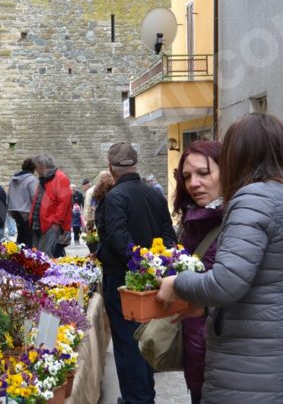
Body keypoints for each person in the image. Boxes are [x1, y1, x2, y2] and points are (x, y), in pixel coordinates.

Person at [157, 113, 283, 403]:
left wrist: (177, 283)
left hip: (254, 368)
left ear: (237, 155)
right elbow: (271, 282)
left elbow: (226, 284)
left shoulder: (252, 199)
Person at [95, 142, 177, 404]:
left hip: (124, 281)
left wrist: (141, 265)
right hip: (153, 279)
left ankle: (137, 399)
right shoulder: (155, 194)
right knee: (145, 337)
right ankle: (144, 395)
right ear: (136, 164)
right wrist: (156, 265)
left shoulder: (115, 198)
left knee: (128, 342)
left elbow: (120, 240)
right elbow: (169, 236)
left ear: (111, 167)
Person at [170, 140, 223, 404]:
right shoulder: (193, 220)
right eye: (187, 176)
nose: (193, 183)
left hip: (227, 353)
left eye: (204, 173)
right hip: (196, 343)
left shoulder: (239, 220)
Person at [29, 154, 72, 257]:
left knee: (45, 256)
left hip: (50, 224)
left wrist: (56, 222)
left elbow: (64, 202)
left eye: (37, 167)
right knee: (37, 255)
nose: (36, 170)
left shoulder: (60, 178)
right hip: (40, 223)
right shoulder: (44, 179)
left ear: (42, 166)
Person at [6, 158, 38, 246]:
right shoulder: (31, 179)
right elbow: (34, 197)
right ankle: (27, 257)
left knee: (21, 235)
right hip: (27, 211)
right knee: (29, 238)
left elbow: (9, 194)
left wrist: (9, 209)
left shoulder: (13, 179)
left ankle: (19, 255)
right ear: (34, 168)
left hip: (15, 210)